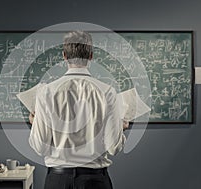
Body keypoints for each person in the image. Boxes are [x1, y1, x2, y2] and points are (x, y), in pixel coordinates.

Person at [29, 31, 128, 189]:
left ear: (64, 56)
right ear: (91, 56)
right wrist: (120, 127)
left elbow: (40, 147)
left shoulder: (46, 92)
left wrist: (36, 123)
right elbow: (113, 147)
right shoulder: (107, 92)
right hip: (95, 181)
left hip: (57, 180)